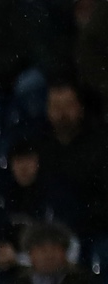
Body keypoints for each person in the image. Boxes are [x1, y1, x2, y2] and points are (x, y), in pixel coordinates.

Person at [0, 137, 80, 274]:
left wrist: (20, 259)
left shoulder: (55, 196)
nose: (24, 167)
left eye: (29, 160)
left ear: (37, 162)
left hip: (44, 274)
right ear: (11, 164)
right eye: (18, 161)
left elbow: (72, 246)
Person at [37, 81, 108, 240]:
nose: (62, 113)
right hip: (49, 235)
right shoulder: (40, 145)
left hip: (92, 232)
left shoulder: (100, 145)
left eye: (68, 105)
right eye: (55, 106)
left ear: (80, 108)